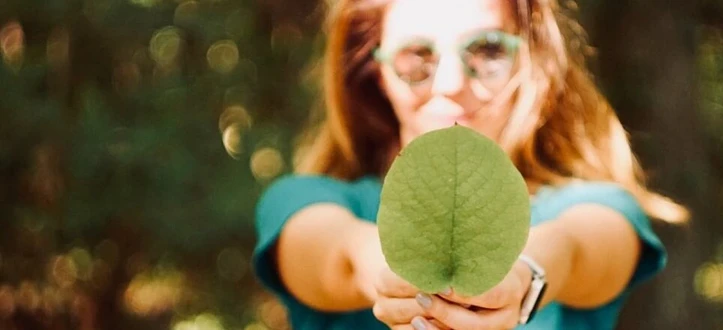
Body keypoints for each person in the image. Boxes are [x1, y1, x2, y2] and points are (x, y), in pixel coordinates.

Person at [251, 0, 689, 328]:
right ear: (375, 71)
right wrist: (386, 269)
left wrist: (524, 277)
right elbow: (335, 254)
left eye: (487, 50)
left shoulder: (595, 206)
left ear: (530, 59)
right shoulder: (304, 200)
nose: (451, 83)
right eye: (416, 55)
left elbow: (577, 248)